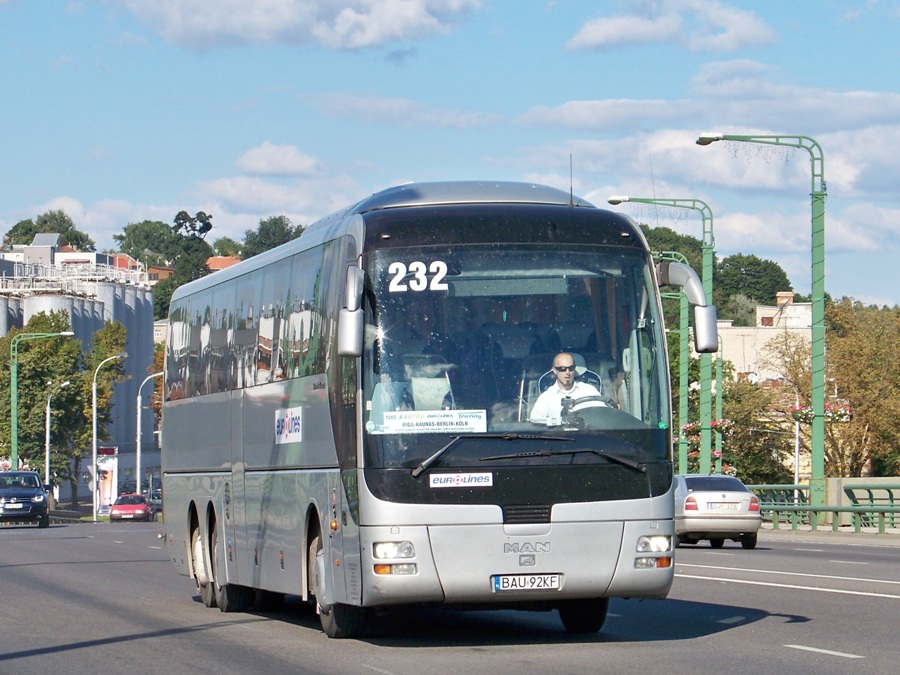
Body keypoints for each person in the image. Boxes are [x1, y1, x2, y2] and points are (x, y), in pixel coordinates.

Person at [529, 352, 606, 425]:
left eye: (571, 368)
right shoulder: (546, 397)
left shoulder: (589, 391)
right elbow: (535, 424)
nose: (567, 372)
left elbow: (604, 416)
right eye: (562, 369)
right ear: (555, 370)